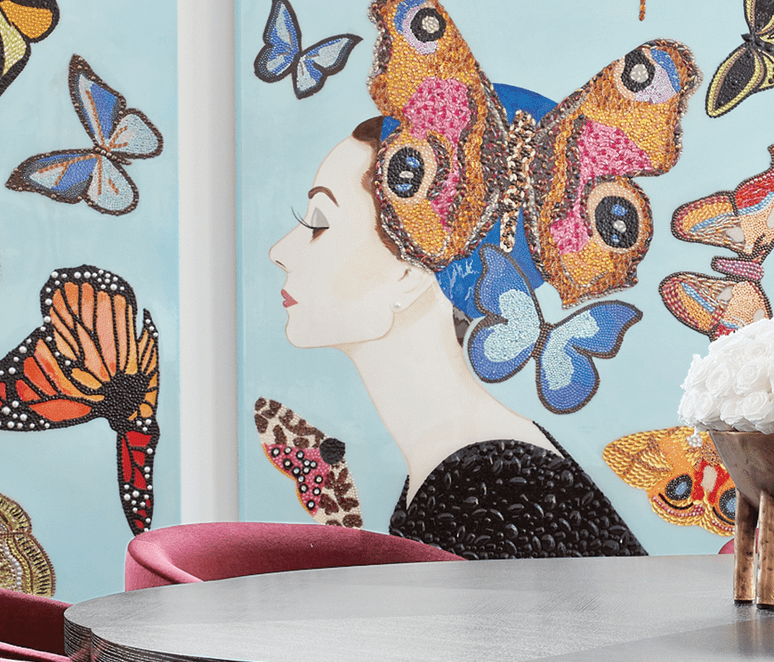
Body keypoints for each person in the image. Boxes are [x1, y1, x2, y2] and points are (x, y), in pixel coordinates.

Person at [268, 117, 645, 559]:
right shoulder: (453, 473)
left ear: (410, 274)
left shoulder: (491, 488)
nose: (279, 251)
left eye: (317, 222)